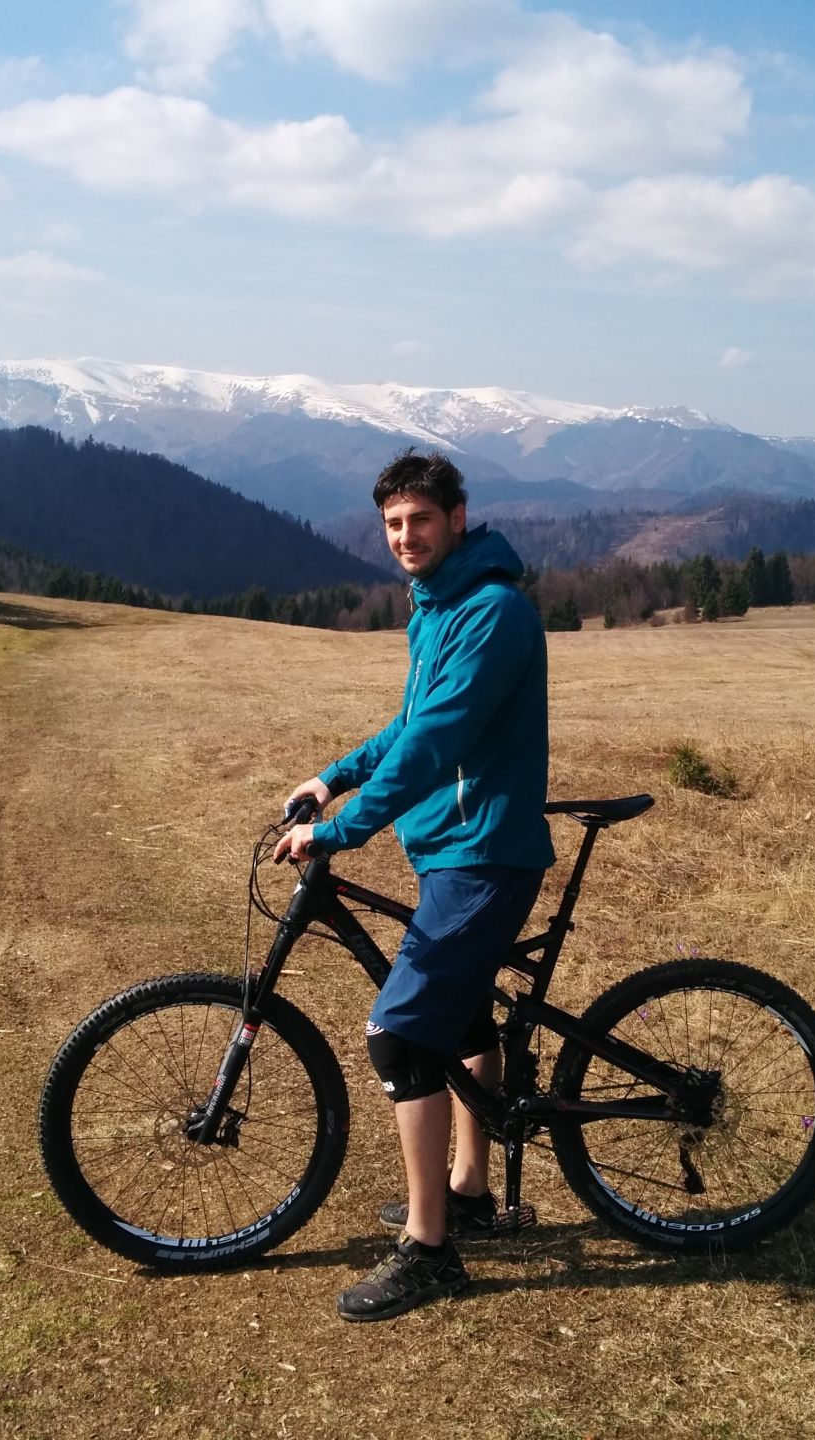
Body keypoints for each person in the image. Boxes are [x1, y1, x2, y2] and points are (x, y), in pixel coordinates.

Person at [274, 448, 554, 1322]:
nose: (405, 536)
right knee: (460, 1022)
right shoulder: (437, 606)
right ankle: (467, 1191)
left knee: (398, 1038)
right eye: (393, 523)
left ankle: (431, 1252)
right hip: (453, 852)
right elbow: (407, 724)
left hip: (484, 855)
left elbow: (435, 743)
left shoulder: (492, 611)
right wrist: (333, 778)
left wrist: (338, 831)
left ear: (457, 519)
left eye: (421, 520)